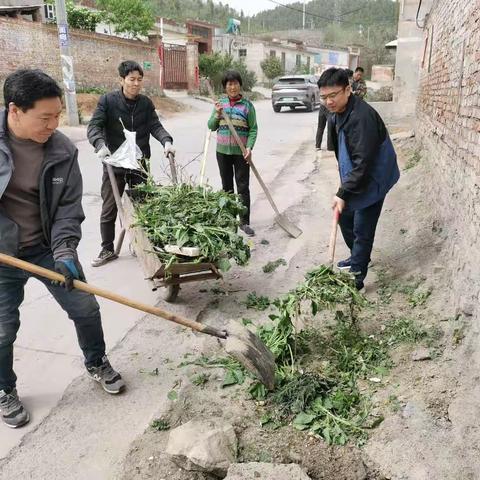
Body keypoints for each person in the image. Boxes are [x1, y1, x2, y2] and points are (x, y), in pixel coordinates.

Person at [0, 69, 125, 429]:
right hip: (3, 255)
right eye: (45, 117)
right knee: (2, 329)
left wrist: (66, 250)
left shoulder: (62, 150)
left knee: (85, 307)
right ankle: (4, 389)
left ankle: (96, 361)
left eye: (58, 116)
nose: (54, 124)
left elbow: (69, 208)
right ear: (15, 111)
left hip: (46, 248)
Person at [87, 60, 174, 267]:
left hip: (139, 163)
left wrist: (167, 141)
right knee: (110, 207)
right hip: (114, 162)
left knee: (142, 206)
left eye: (139, 80)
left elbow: (155, 125)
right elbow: (94, 127)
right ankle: (107, 249)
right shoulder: (108, 101)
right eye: (132, 79)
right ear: (122, 80)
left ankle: (141, 244)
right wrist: (100, 144)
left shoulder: (145, 103)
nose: (136, 84)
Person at [319, 68, 399, 290]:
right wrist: (344, 188)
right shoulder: (336, 114)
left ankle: (357, 277)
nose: (328, 101)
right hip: (357, 174)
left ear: (347, 89)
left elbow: (364, 163)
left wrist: (344, 191)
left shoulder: (361, 117)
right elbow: (343, 154)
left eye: (333, 95)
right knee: (344, 217)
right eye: (324, 97)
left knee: (363, 225)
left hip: (375, 175)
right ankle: (359, 257)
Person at [208, 70, 258, 237]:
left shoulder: (247, 106)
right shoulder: (220, 104)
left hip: (241, 153)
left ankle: (244, 222)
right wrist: (217, 114)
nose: (233, 87)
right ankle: (230, 221)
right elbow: (211, 126)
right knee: (227, 187)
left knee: (243, 187)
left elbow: (253, 129)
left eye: (235, 83)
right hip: (222, 152)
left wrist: (249, 147)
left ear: (240, 85)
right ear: (225, 87)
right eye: (229, 84)